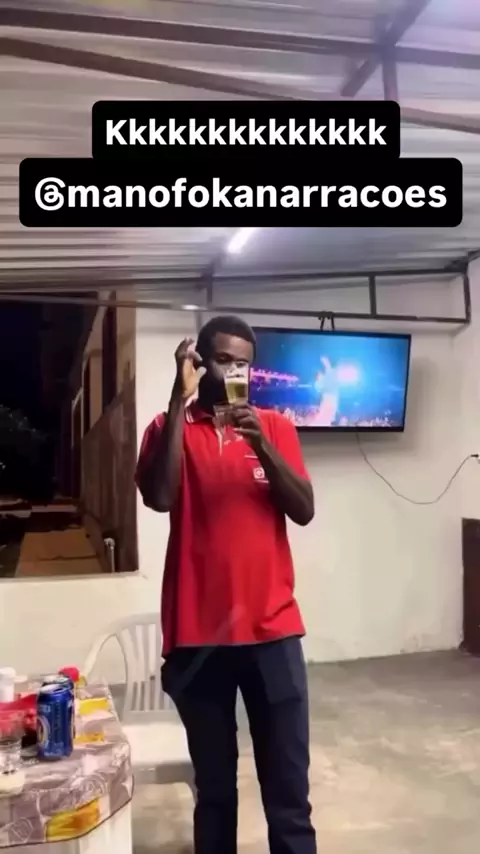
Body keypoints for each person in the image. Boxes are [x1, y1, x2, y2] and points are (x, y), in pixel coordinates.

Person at [135, 315, 317, 854]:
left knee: (288, 792)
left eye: (244, 363)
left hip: (273, 632)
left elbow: (304, 510)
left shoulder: (275, 426)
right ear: (197, 363)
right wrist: (178, 400)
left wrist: (262, 446)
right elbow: (160, 497)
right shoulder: (166, 428)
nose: (235, 372)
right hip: (199, 637)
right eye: (222, 360)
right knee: (214, 792)